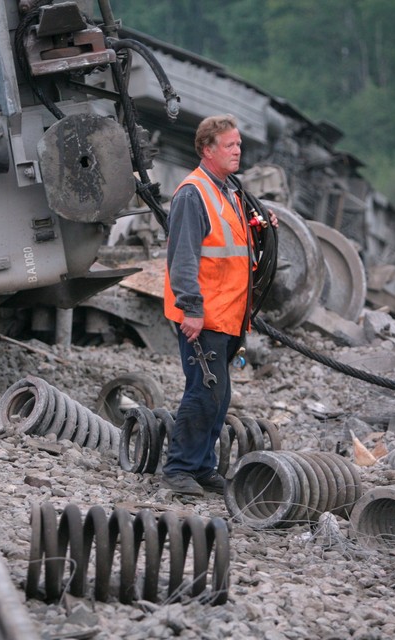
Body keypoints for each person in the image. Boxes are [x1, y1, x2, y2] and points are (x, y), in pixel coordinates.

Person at [161, 114, 274, 496]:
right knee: (204, 392)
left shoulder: (227, 191)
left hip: (228, 315)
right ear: (208, 150)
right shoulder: (193, 193)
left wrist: (263, 226)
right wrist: (191, 308)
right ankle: (179, 469)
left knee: (219, 395)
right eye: (230, 145)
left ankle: (202, 465)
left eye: (239, 144)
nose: (238, 150)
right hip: (204, 316)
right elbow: (184, 258)